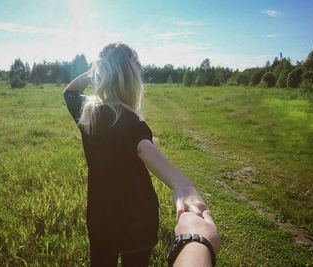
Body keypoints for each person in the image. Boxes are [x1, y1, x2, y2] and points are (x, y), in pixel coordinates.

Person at [63, 42, 207, 266]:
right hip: (138, 218)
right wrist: (183, 186)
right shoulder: (132, 123)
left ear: (103, 74)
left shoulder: (88, 113)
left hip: (101, 216)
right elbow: (146, 149)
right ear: (132, 79)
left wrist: (95, 73)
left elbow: (70, 91)